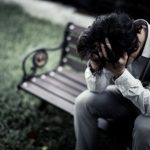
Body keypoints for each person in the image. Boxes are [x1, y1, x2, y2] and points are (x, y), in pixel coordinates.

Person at [74, 12, 150, 150]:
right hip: (130, 100)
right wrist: (95, 64)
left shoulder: (120, 45)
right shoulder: (119, 37)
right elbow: (96, 89)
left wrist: (120, 73)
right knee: (83, 102)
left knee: (144, 128)